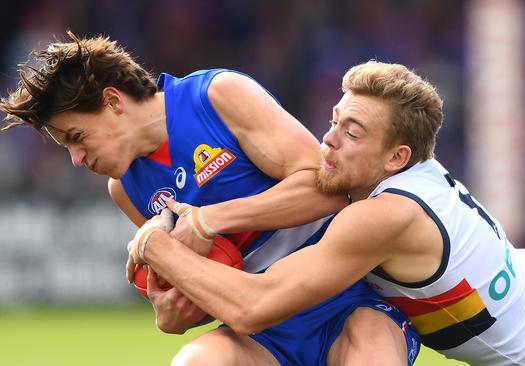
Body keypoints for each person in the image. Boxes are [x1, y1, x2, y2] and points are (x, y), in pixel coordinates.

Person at [129, 60, 525, 365]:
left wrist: (158, 246)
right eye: (334, 120)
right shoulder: (398, 172)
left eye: (352, 132)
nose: (327, 139)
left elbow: (252, 308)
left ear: (395, 158)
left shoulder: (385, 216)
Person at [0, 33, 420, 366]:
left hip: (354, 298)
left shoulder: (215, 97)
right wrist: (174, 312)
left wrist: (210, 219)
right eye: (66, 149)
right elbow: (205, 285)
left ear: (113, 101)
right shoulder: (125, 188)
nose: (76, 159)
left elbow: (328, 188)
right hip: (263, 332)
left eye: (76, 138)